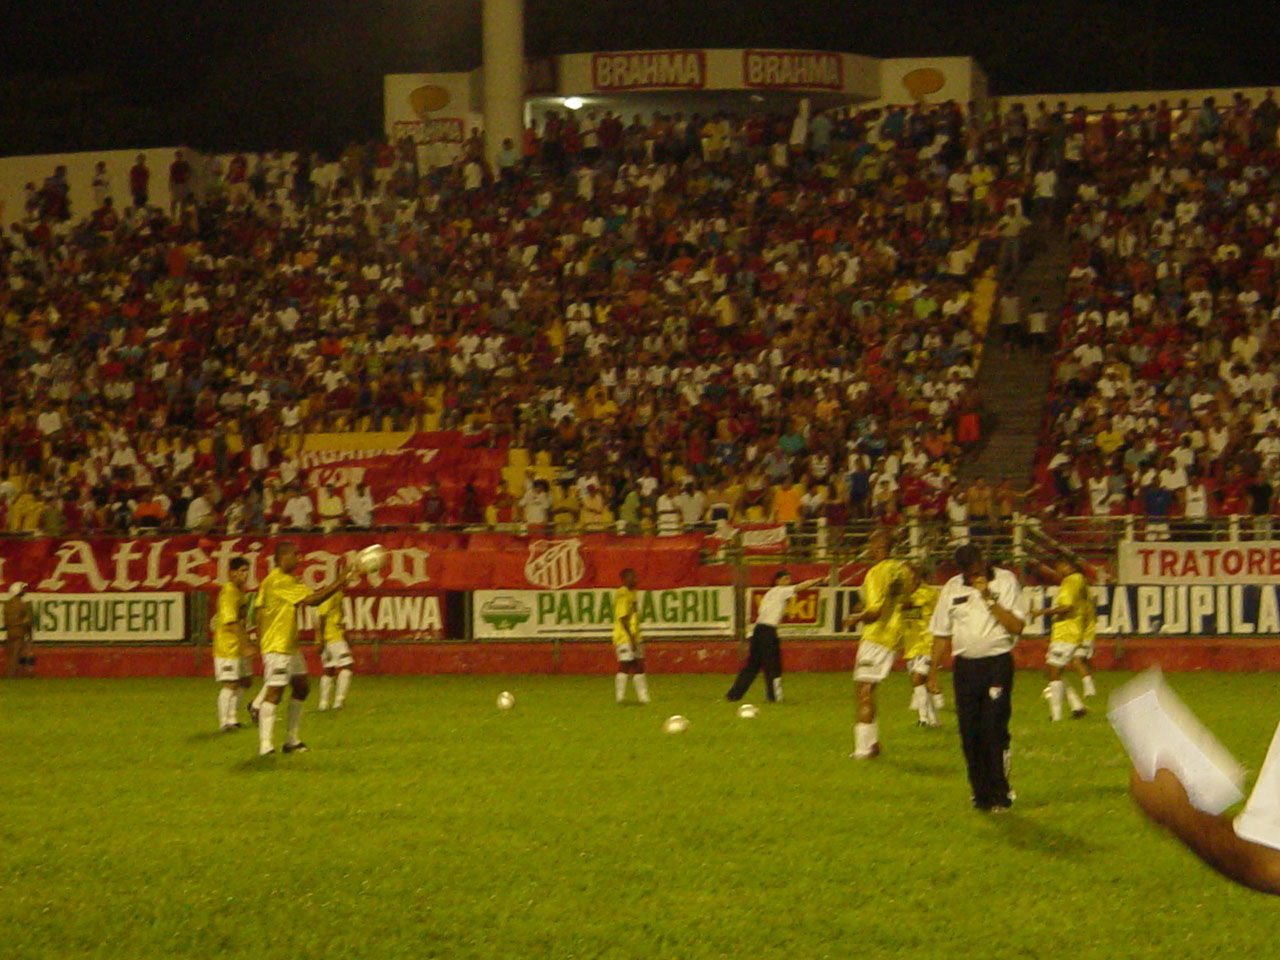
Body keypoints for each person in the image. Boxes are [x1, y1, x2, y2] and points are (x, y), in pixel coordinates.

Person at [927, 544, 1027, 811]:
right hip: (965, 668)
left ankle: (1000, 794)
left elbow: (1017, 625)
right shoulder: (952, 588)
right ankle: (980, 795)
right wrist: (932, 671)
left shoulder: (1005, 581)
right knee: (969, 732)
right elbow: (941, 633)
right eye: (969, 573)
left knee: (993, 729)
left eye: (977, 570)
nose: (974, 576)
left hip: (996, 664)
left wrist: (988, 598)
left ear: (984, 561)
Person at [250, 542, 351, 756]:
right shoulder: (280, 581)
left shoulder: (274, 580)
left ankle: (291, 740)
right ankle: (265, 745)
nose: (299, 558)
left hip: (288, 645)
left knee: (301, 686)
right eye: (295, 555)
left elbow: (259, 610)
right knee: (275, 693)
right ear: (282, 558)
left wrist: (260, 637)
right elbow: (313, 600)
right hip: (278, 646)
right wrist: (339, 582)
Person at [842, 529, 907, 758]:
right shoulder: (900, 569)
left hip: (877, 636)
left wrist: (855, 618)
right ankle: (873, 742)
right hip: (894, 636)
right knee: (869, 689)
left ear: (879, 547)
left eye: (871, 545)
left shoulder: (875, 572)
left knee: (864, 691)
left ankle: (863, 749)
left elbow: (875, 612)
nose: (868, 549)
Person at [726, 569, 823, 704]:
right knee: (773, 664)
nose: (788, 582)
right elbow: (800, 587)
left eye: (789, 579)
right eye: (785, 579)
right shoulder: (780, 591)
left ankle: (734, 695)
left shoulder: (769, 594)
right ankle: (774, 696)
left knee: (753, 665)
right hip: (768, 631)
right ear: (777, 581)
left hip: (758, 630)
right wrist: (817, 581)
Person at [1031, 556, 1095, 721]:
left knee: (1053, 672)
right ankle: (1077, 706)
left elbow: (1066, 607)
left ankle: (1056, 716)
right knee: (1052, 671)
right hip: (1073, 630)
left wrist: (1041, 612)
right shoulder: (1080, 580)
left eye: (1058, 566)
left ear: (1066, 565)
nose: (1057, 570)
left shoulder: (1070, 581)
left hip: (1067, 632)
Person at [211, 558, 252, 731]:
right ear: (232, 573)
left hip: (237, 645)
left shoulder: (238, 591)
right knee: (230, 683)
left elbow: (240, 618)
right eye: (241, 571)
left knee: (245, 681)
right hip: (227, 646)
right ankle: (224, 722)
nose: (245, 574)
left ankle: (233, 718)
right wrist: (245, 645)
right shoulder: (228, 592)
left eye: (247, 570)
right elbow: (231, 622)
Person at [900, 564, 942, 728]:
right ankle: (933, 720)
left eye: (908, 575)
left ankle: (923, 719)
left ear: (916, 576)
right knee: (921, 683)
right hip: (910, 645)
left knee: (917, 679)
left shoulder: (930, 594)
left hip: (927, 643)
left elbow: (943, 614)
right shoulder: (900, 597)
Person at [315, 576, 354, 712]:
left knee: (329, 669)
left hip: (334, 636)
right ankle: (338, 701)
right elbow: (322, 617)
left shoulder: (338, 593)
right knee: (347, 666)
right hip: (332, 637)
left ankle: (323, 703)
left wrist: (345, 635)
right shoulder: (330, 593)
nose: (351, 580)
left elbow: (336, 618)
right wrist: (320, 640)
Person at [612, 568, 649, 705]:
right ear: (625, 579)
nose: (635, 579)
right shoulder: (622, 595)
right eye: (633, 577)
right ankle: (620, 697)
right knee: (625, 665)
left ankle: (643, 697)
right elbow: (623, 618)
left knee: (639, 665)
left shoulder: (632, 593)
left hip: (634, 635)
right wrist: (631, 638)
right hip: (624, 637)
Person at [3, 583, 33, 679]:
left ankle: (9, 673)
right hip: (19, 630)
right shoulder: (23, 605)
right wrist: (29, 633)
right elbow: (28, 620)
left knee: (10, 653)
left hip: (10, 631)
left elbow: (6, 620)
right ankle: (13, 674)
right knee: (17, 653)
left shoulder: (7, 604)